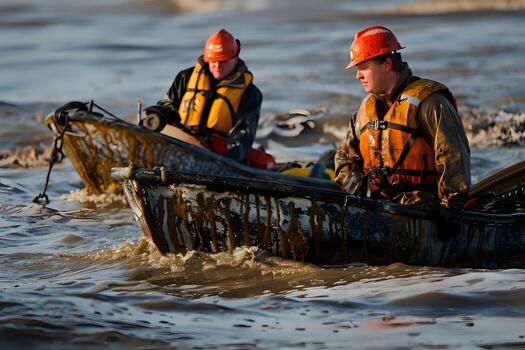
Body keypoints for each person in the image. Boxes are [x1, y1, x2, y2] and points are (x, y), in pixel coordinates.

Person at [335, 25, 471, 210]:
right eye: (357, 69)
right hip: (379, 206)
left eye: (364, 67)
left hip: (423, 207)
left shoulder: (430, 102)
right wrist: (352, 180)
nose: (358, 75)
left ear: (387, 64)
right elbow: (344, 156)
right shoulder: (365, 110)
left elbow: (453, 155)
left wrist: (451, 207)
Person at [144, 29, 263, 162]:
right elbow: (169, 105)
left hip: (217, 152)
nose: (217, 66)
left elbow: (243, 135)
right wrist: (159, 115)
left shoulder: (250, 93)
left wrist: (228, 161)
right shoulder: (186, 77)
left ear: (235, 58)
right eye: (213, 61)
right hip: (181, 142)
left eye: (222, 61)